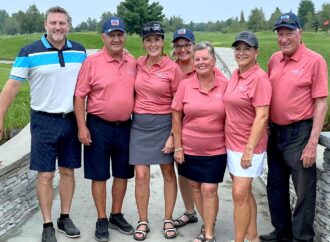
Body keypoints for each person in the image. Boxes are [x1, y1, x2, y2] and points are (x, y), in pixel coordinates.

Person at [0, 6, 86, 242]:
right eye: (53, 23)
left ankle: (64, 217)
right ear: (45, 25)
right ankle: (47, 223)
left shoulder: (79, 51)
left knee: (68, 172)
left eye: (62, 23)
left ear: (68, 25)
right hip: (43, 121)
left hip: (70, 120)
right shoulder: (29, 52)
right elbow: (11, 87)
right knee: (46, 175)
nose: (58, 27)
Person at [259, 12, 328, 242]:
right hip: (276, 132)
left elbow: (321, 102)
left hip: (299, 133)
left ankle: (302, 237)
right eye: (280, 33)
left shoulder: (314, 60)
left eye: (289, 32)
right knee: (275, 187)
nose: (284, 38)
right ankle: (283, 232)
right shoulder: (274, 60)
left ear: (300, 33)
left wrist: (311, 144)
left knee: (303, 192)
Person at [74, 16, 136, 242]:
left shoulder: (132, 62)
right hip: (98, 126)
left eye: (120, 34)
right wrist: (82, 127)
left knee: (122, 173)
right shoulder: (92, 63)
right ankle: (101, 219)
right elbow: (80, 96)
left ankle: (116, 214)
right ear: (104, 37)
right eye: (112, 35)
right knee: (99, 175)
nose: (117, 39)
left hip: (125, 127)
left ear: (125, 36)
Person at [129, 21, 184, 241]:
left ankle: (168, 219)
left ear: (163, 42)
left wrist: (173, 135)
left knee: (168, 173)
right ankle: (143, 220)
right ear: (143, 43)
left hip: (164, 125)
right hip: (140, 125)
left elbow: (179, 106)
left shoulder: (173, 68)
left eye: (157, 39)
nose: (153, 44)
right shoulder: (138, 64)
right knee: (141, 175)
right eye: (148, 40)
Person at [172, 41, 228, 242]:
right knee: (195, 188)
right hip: (190, 147)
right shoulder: (185, 85)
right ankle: (207, 224)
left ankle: (210, 234)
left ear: (213, 61)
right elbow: (176, 116)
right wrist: (178, 146)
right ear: (193, 62)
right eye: (198, 59)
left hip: (216, 148)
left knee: (209, 189)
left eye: (206, 58)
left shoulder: (225, 85)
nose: (201, 62)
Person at [224, 31, 271, 242]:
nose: (241, 52)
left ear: (256, 52)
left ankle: (239, 240)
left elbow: (262, 116)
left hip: (248, 147)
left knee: (238, 195)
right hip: (232, 143)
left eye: (247, 49)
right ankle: (253, 236)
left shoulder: (259, 78)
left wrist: (249, 150)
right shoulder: (236, 74)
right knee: (244, 193)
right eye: (238, 48)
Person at [171, 28, 198, 228]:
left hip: (200, 129)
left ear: (193, 45)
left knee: (202, 178)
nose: (182, 49)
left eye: (186, 45)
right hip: (179, 127)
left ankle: (208, 215)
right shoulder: (172, 68)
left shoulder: (203, 66)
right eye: (178, 45)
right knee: (183, 172)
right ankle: (190, 212)